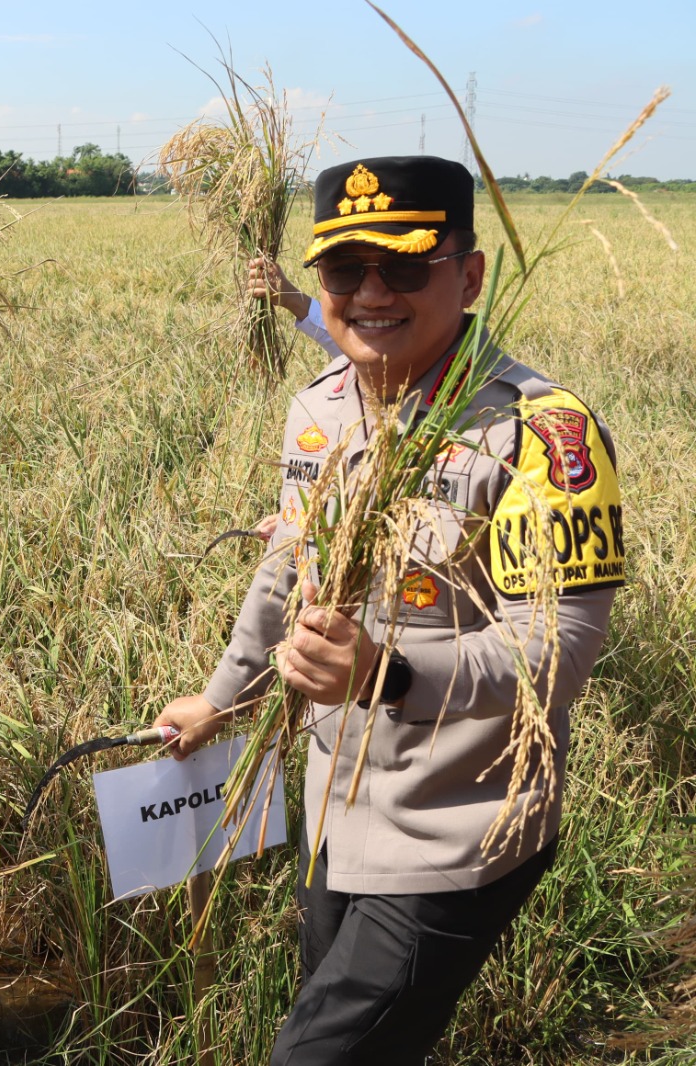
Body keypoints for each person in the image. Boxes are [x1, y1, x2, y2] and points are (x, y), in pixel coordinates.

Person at [152, 156, 625, 1064]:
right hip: (336, 811)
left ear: (471, 274)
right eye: (343, 270)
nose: (371, 294)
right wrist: (221, 700)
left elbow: (558, 647)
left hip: (460, 829)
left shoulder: (542, 434)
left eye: (405, 267)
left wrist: (387, 673)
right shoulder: (319, 412)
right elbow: (289, 574)